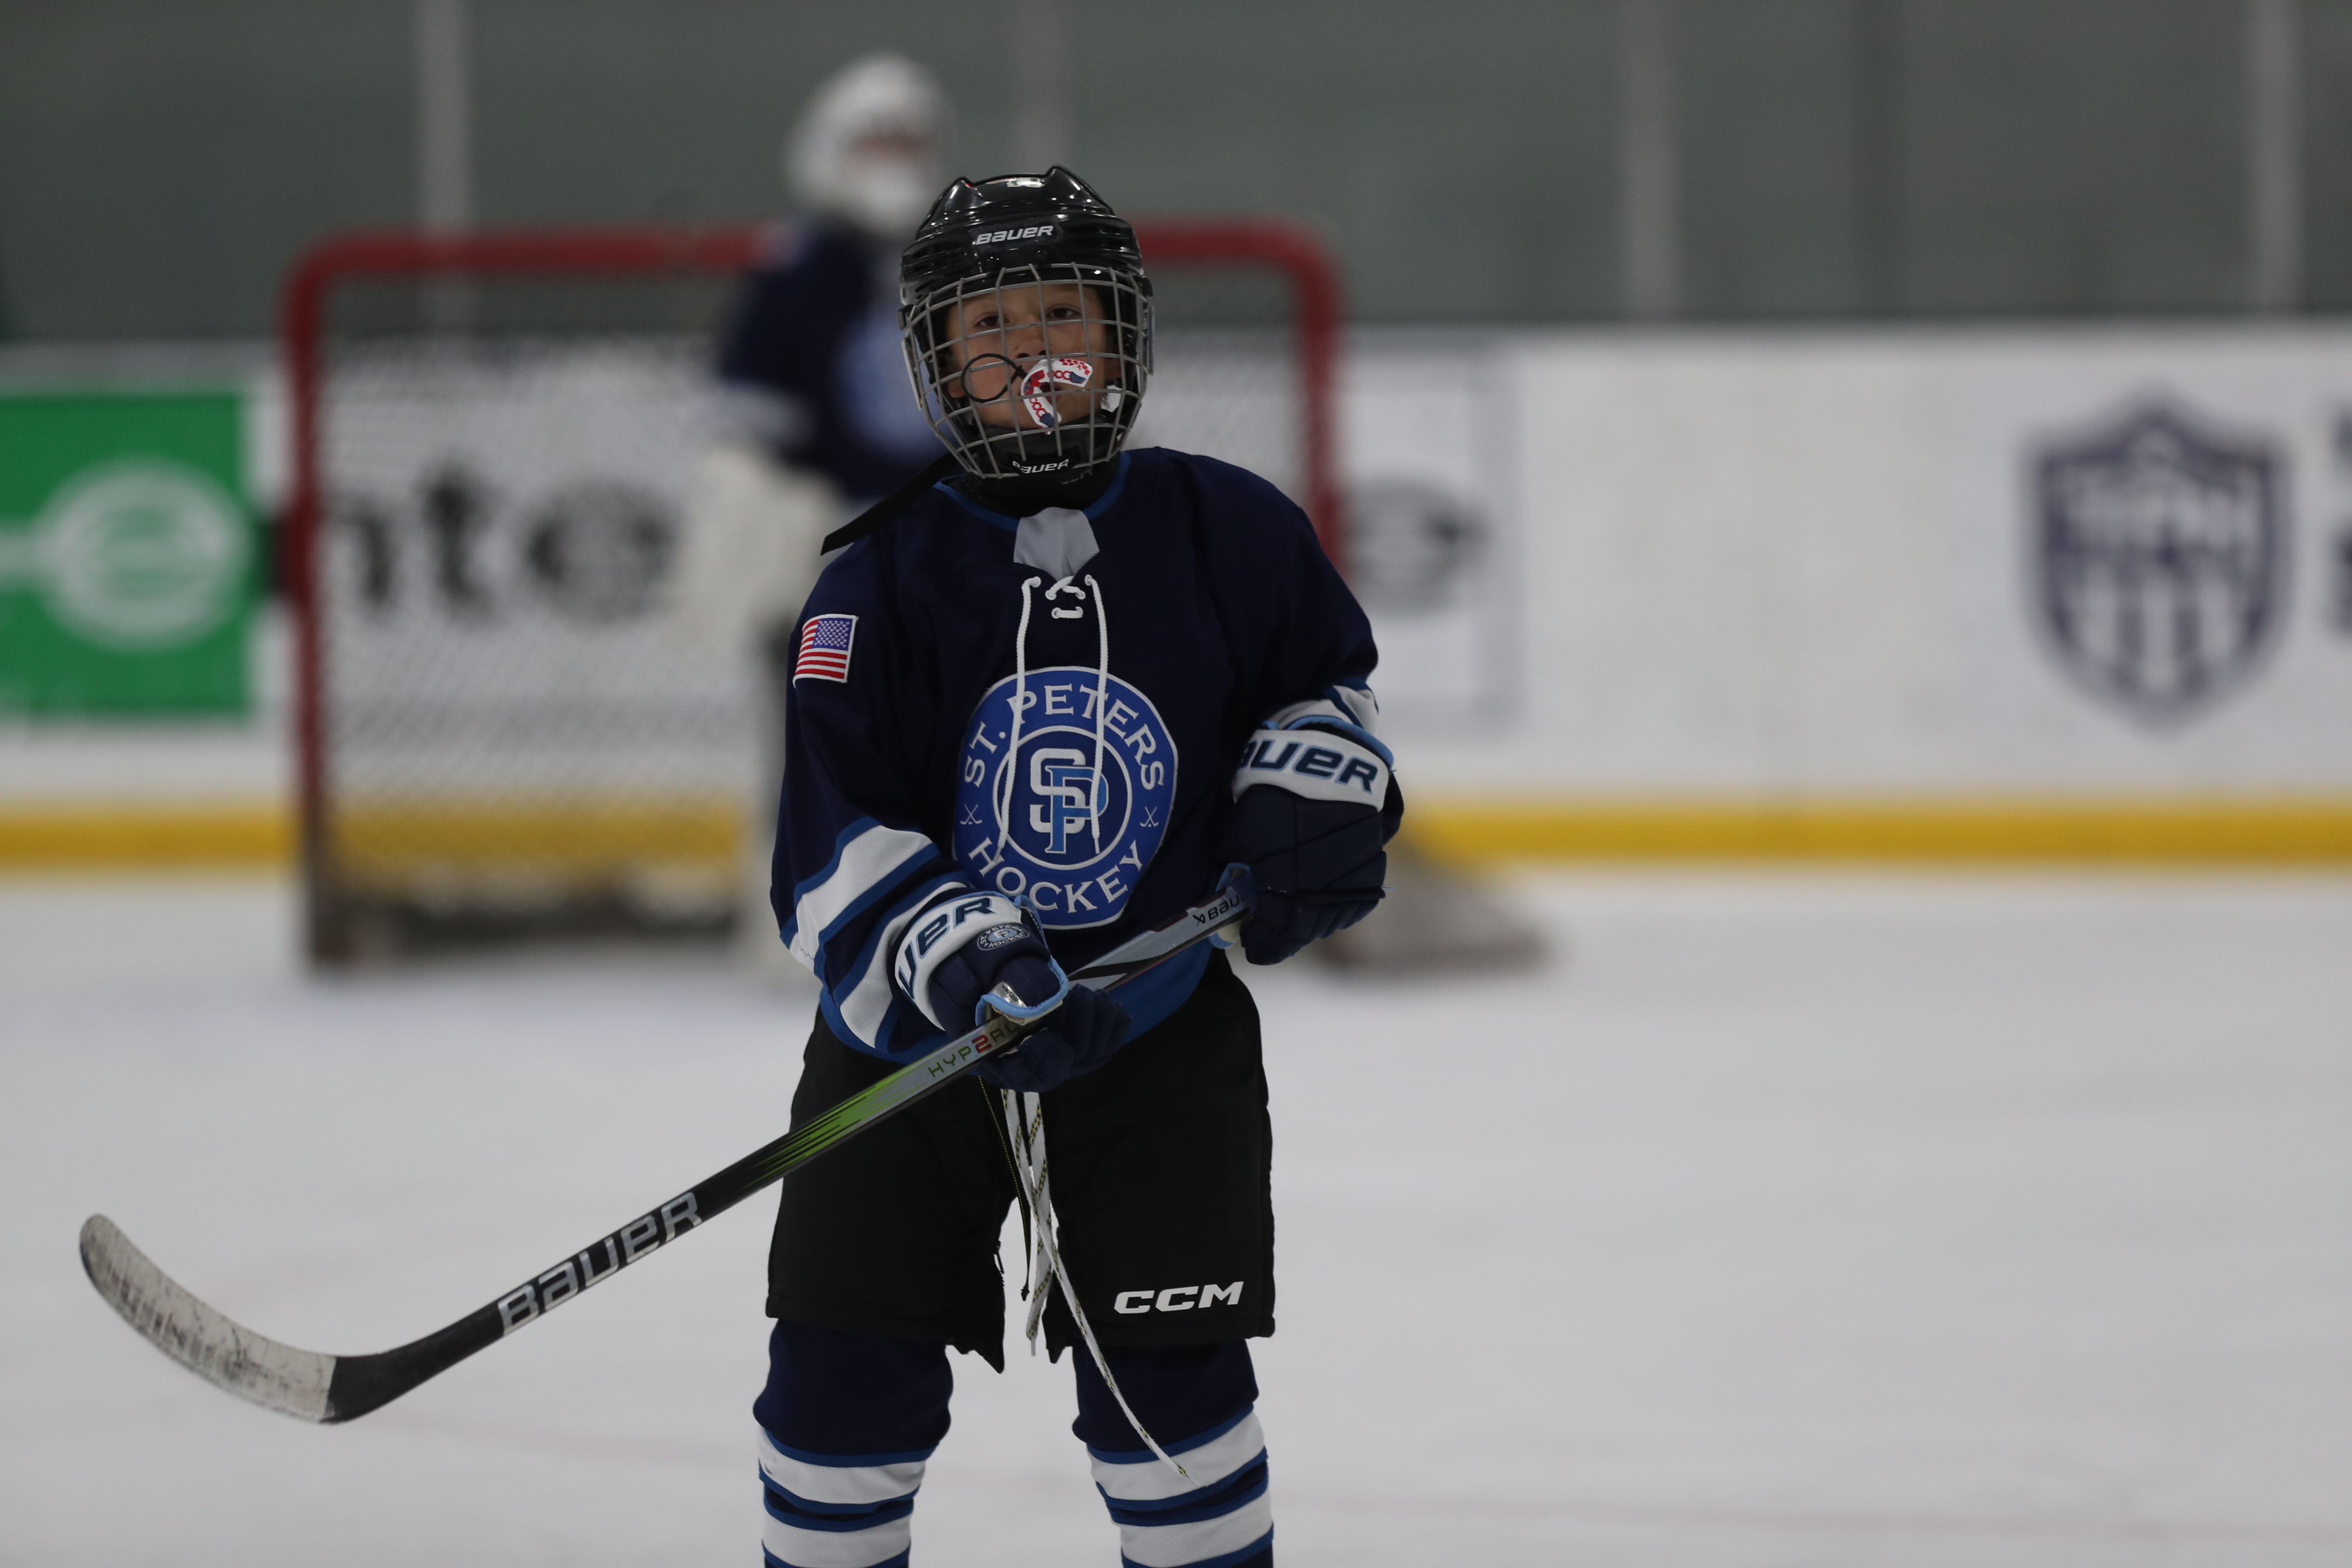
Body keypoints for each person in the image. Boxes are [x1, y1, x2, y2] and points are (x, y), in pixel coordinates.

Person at [755, 168, 1401, 1568]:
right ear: (934, 361)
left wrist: (1316, 788)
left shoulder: (1235, 531)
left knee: (1175, 1409)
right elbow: (825, 839)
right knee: (835, 1403)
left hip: (1152, 1041)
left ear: (1122, 336)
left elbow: (1327, 695)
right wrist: (958, 955)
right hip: (907, 1062)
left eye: (1063, 316)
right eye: (990, 327)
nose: (1031, 354)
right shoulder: (873, 579)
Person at [666, 53, 953, 964]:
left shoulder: (964, 263)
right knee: (813, 748)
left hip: (957, 552)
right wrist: (758, 524)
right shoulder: (794, 274)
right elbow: (746, 434)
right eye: (875, 141)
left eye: (908, 140)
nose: (893, 159)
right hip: (830, 562)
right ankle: (805, 924)